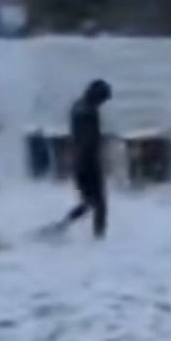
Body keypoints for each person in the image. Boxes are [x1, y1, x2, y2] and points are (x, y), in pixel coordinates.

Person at [51, 79, 113, 238]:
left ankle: (62, 226)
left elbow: (83, 137)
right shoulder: (87, 111)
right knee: (99, 203)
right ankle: (99, 238)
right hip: (87, 162)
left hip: (79, 161)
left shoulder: (79, 106)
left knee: (89, 202)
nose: (102, 103)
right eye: (103, 99)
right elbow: (88, 140)